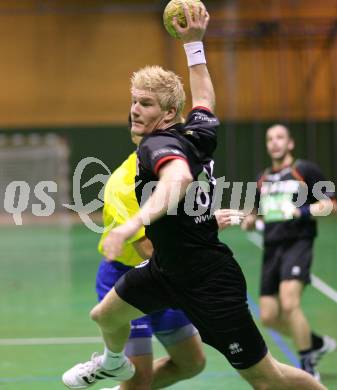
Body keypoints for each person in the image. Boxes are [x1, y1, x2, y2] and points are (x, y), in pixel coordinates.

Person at [63, 5, 327, 389]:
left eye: (146, 104)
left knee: (267, 379)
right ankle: (114, 362)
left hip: (208, 281)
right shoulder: (196, 131)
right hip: (167, 269)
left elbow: (178, 179)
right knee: (105, 315)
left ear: (169, 112)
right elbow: (204, 96)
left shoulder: (156, 146)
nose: (135, 110)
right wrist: (194, 44)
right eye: (134, 100)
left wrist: (135, 223)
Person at [94, 133, 206, 390]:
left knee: (192, 363)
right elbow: (149, 250)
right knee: (138, 378)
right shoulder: (124, 185)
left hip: (164, 275)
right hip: (127, 278)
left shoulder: (175, 172)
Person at [241, 124, 336, 380]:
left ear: (290, 143)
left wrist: (301, 211)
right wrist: (250, 219)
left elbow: (330, 204)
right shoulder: (262, 178)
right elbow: (255, 212)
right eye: (270, 138)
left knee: (290, 303)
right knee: (270, 316)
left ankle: (308, 365)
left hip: (298, 243)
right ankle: (316, 342)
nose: (274, 142)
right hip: (271, 247)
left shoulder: (304, 171)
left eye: (280, 137)